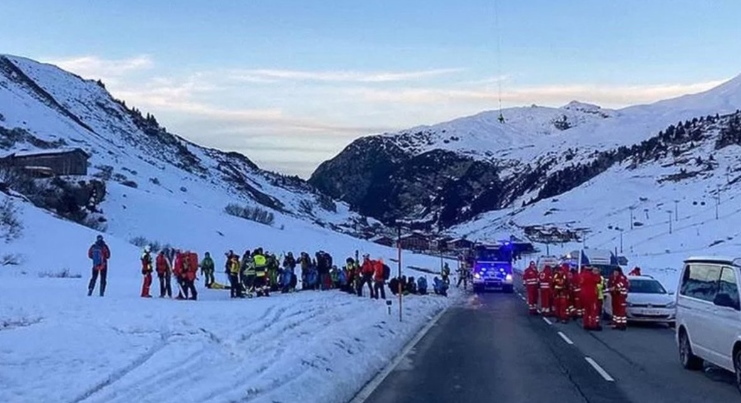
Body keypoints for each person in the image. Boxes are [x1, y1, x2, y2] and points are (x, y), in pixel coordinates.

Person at [580, 267, 602, 331]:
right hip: (592, 296)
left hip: (584, 295)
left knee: (587, 311)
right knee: (593, 311)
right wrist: (597, 274)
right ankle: (592, 325)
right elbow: (598, 280)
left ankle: (586, 324)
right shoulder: (592, 276)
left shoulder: (583, 275)